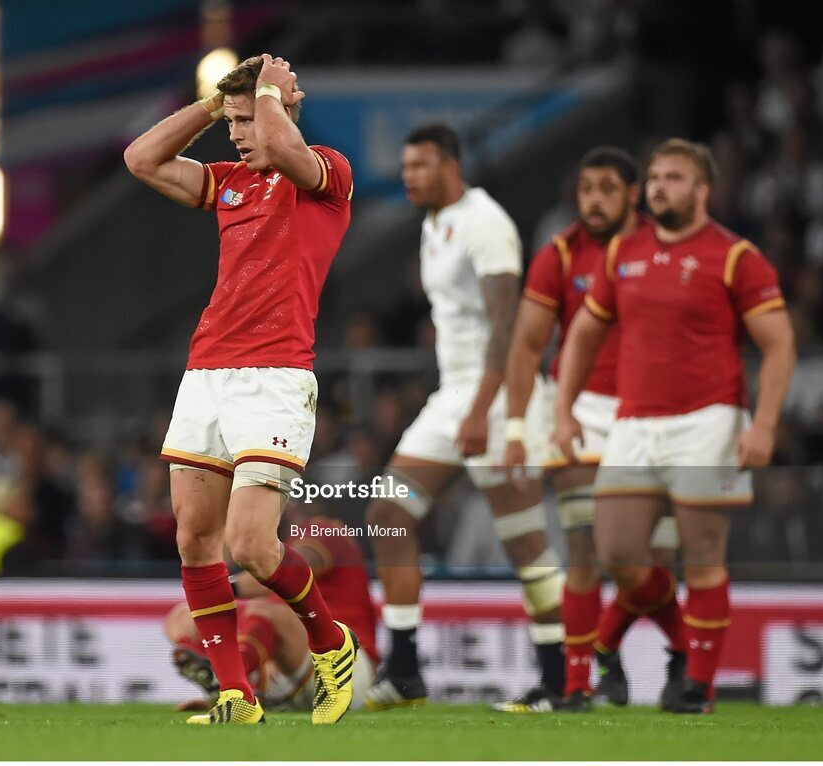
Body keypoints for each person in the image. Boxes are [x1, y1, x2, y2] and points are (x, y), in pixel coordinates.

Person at [124, 53, 357, 725]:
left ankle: (329, 641)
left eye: (244, 121)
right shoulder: (227, 182)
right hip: (206, 374)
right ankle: (235, 693)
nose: (236, 135)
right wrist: (213, 102)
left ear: (280, 110)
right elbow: (141, 159)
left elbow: (285, 145)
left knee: (252, 546)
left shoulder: (325, 175)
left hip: (276, 376)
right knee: (196, 541)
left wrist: (270, 99)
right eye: (230, 124)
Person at [554, 138, 795, 713]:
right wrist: (563, 409)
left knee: (702, 558)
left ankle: (698, 687)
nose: (660, 186)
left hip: (708, 419)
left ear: (702, 190)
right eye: (656, 177)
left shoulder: (736, 256)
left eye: (675, 178)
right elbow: (584, 333)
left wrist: (762, 426)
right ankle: (674, 645)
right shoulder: (623, 253)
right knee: (618, 555)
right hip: (633, 421)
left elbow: (780, 343)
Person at [364, 124, 563, 712]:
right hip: (453, 396)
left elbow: (509, 325)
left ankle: (559, 682)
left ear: (451, 166)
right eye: (405, 166)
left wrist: (483, 409)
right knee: (388, 513)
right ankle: (403, 670)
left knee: (524, 541)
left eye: (420, 165)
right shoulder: (431, 225)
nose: (409, 176)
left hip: (496, 397)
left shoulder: (486, 223)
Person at [503, 147, 682, 711]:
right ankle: (579, 685)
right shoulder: (558, 256)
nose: (595, 200)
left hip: (660, 413)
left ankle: (616, 650)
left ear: (633, 194)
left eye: (607, 188)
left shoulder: (669, 248)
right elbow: (528, 344)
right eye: (586, 189)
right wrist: (515, 425)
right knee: (583, 550)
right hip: (582, 414)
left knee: (646, 564)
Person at [165, 514, 378, 713]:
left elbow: (293, 570)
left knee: (266, 612)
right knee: (183, 615)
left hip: (345, 668)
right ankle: (232, 688)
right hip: (284, 677)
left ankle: (230, 684)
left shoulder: (322, 530)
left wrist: (218, 590)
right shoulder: (258, 557)